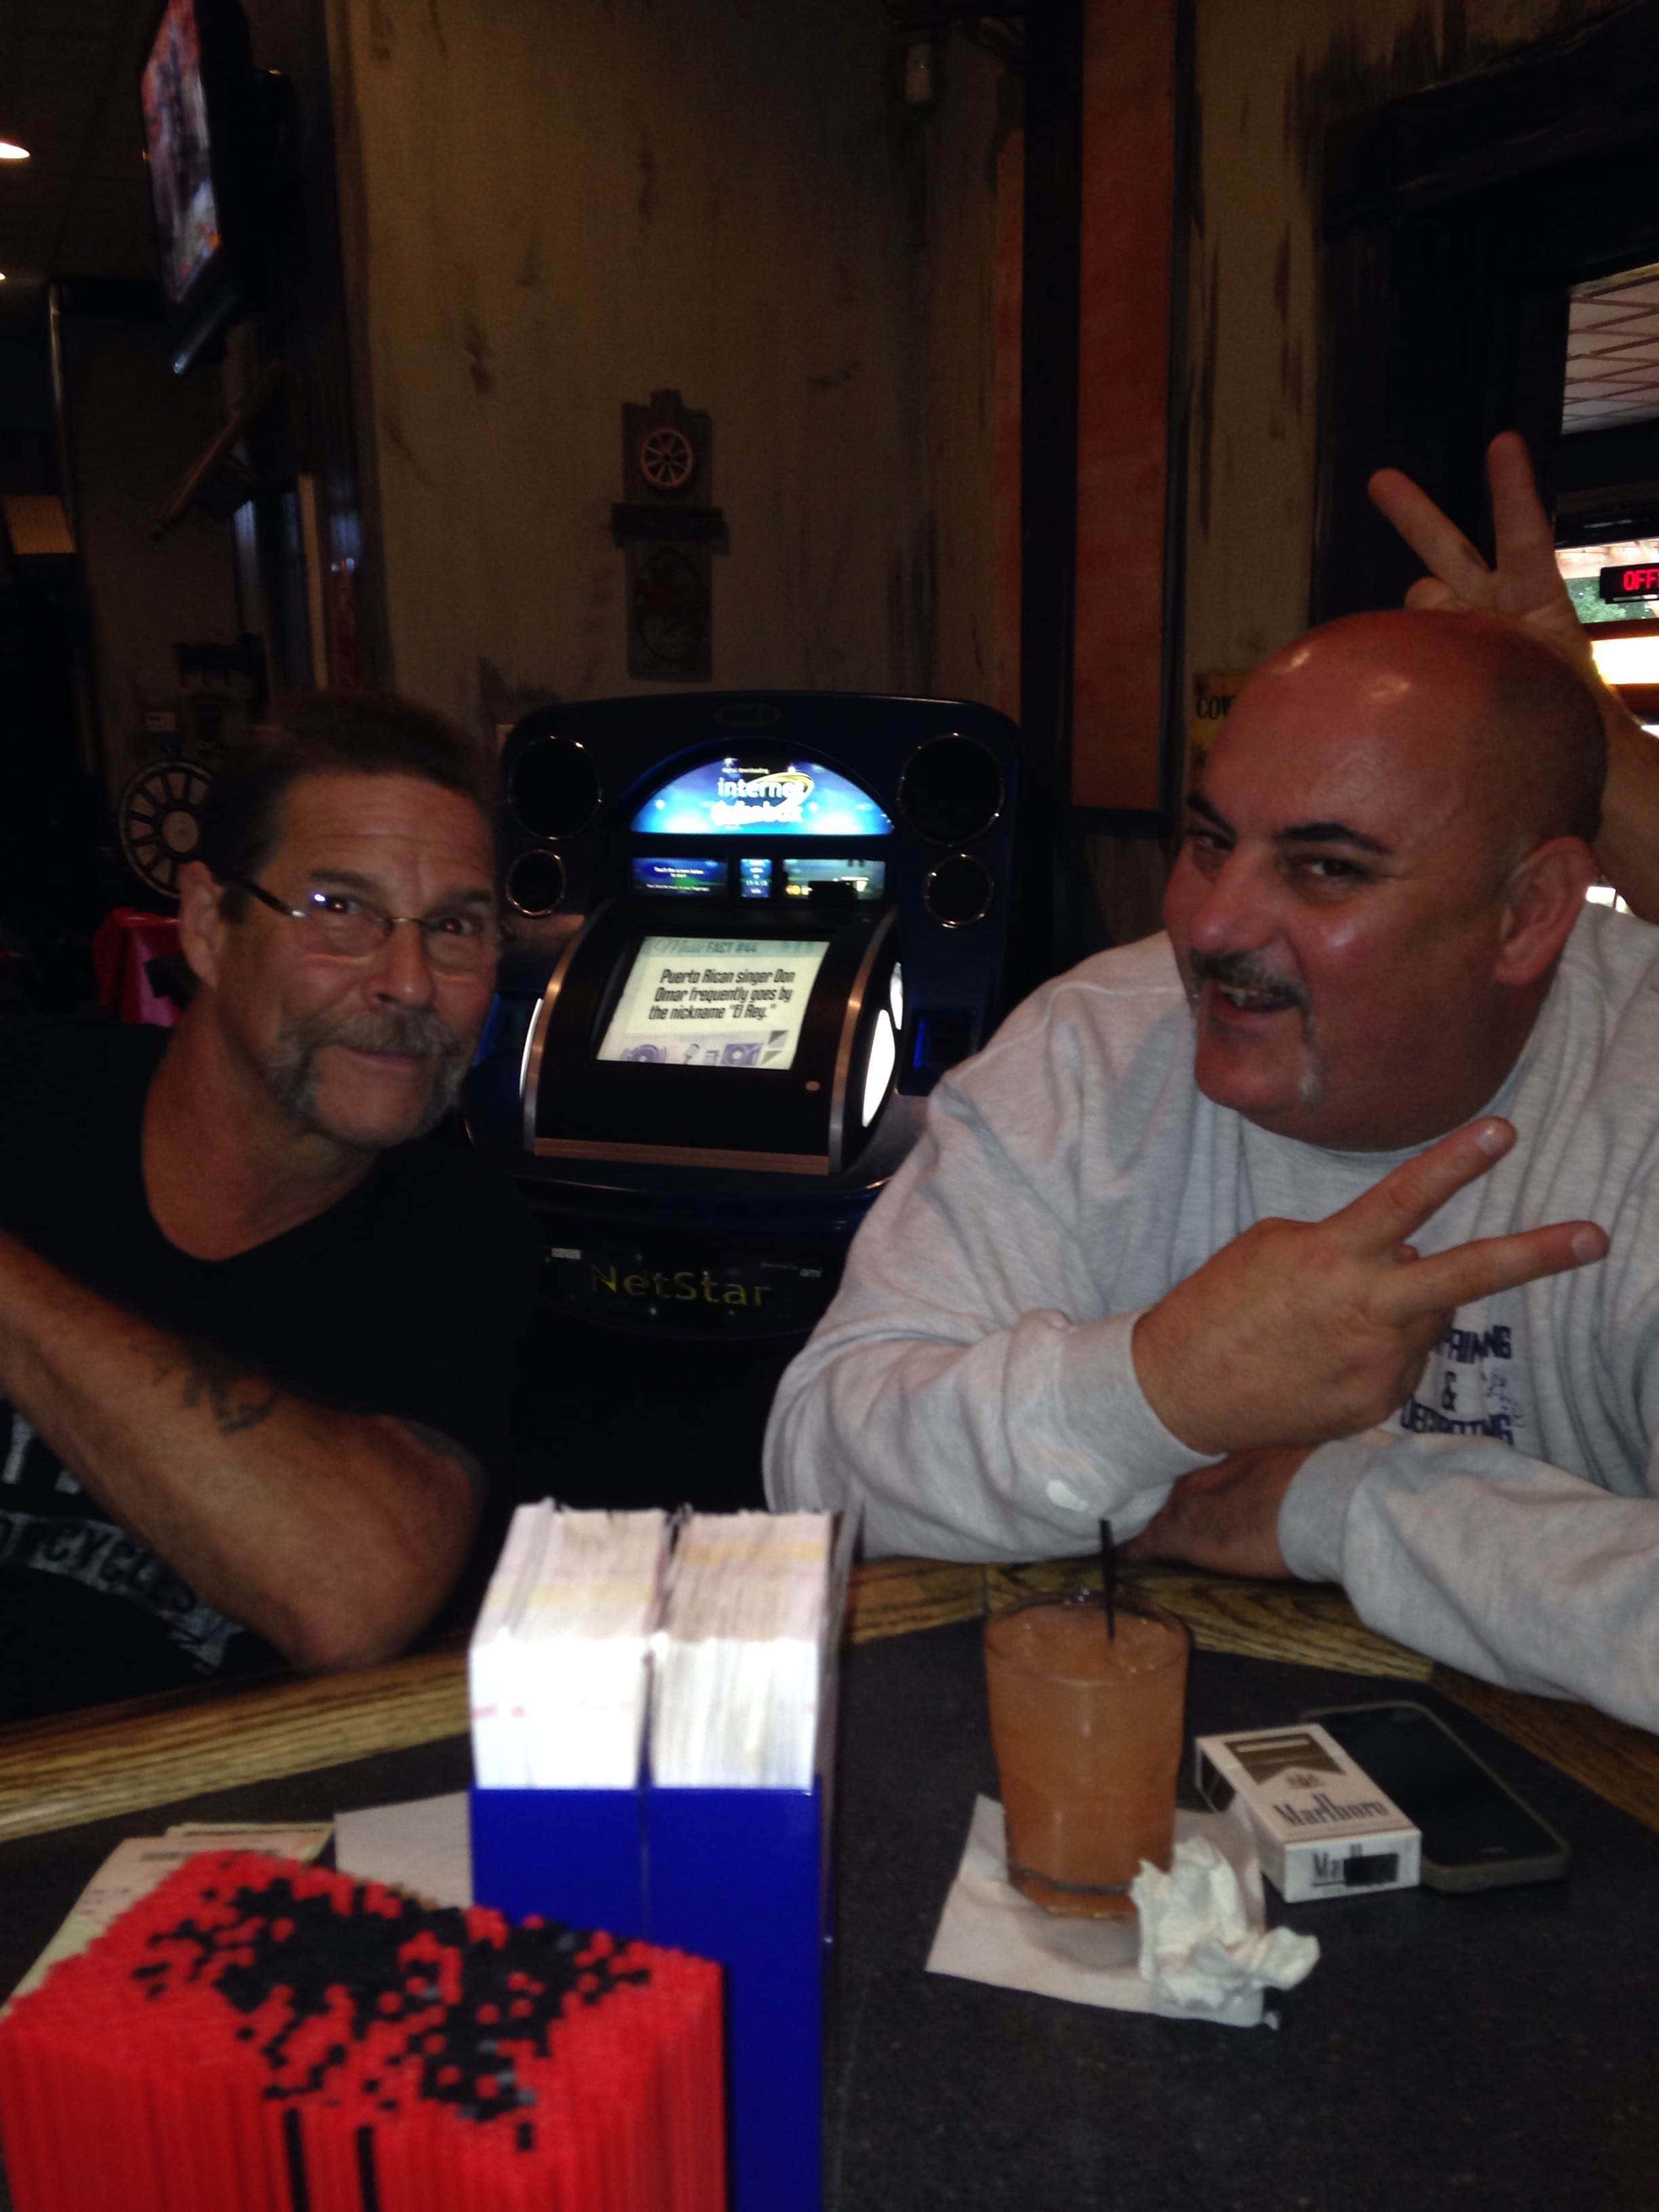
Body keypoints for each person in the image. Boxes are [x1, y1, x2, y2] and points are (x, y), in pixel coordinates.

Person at [765, 436, 1659, 1732]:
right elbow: (820, 1465)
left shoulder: (1636, 1089)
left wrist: (1342, 1503)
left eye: (1325, 868)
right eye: (1207, 841)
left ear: (1528, 913)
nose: (1211, 924)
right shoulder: (1093, 1046)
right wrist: (1159, 1386)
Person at [0, 694, 541, 1723]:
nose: (409, 982)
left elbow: (354, 1598)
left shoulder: (461, 1237)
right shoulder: (26, 1100)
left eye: (455, 928)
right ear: (211, 928)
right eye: (340, 909)